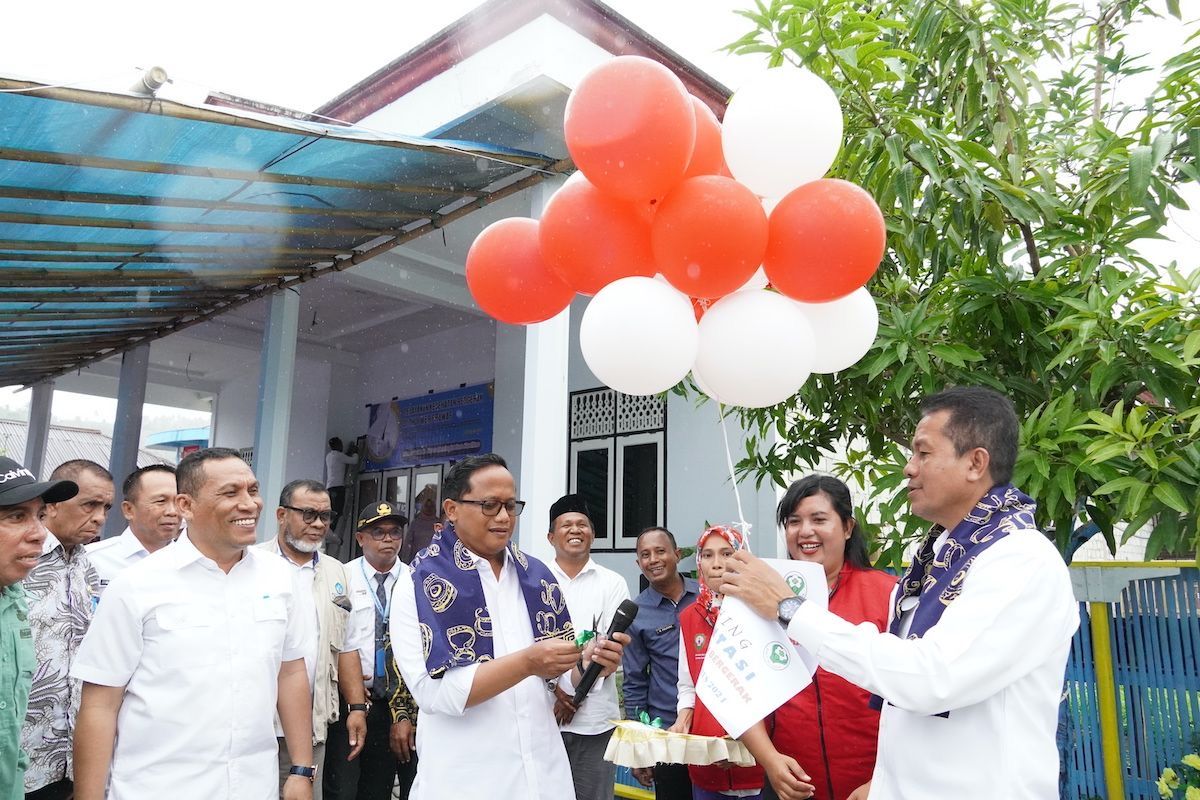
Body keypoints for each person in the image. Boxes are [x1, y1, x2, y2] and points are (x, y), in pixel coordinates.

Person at [722, 387, 1079, 800]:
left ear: (975, 463)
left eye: (923, 453)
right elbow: (899, 703)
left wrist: (789, 609)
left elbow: (930, 679)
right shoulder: (938, 560)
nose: (909, 468)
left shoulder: (1019, 559)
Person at [71, 447, 316, 800]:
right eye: (230, 493)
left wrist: (301, 769)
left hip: (252, 785)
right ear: (186, 506)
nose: (249, 504)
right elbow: (100, 704)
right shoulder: (137, 584)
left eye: (252, 490)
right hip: (157, 788)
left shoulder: (280, 577)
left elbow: (290, 672)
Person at [389, 453, 627, 800]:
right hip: (467, 781)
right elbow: (435, 694)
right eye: (489, 505)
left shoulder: (537, 578)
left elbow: (561, 679)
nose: (503, 517)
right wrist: (527, 663)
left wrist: (591, 664)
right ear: (452, 509)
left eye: (510, 506)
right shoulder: (419, 583)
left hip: (545, 777)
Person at [738, 476, 897, 800]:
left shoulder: (886, 593)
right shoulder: (759, 596)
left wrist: (884, 781)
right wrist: (770, 760)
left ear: (848, 527)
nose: (805, 531)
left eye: (819, 519)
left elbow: (910, 696)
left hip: (871, 785)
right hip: (791, 784)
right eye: (794, 521)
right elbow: (739, 690)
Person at [259, 480, 369, 800]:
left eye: (325, 516)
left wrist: (358, 707)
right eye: (308, 514)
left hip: (311, 729)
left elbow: (345, 645)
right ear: (281, 514)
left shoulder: (337, 573)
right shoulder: (252, 564)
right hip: (257, 726)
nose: (319, 524)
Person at [21, 460, 112, 800]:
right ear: (52, 505)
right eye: (89, 504)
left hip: (71, 760)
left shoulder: (88, 565)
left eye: (106, 507)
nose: (100, 517)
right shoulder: (18, 559)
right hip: (20, 759)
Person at [0, 456, 78, 800]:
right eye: (17, 516)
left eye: (40, 515)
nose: (39, 534)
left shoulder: (14, 599)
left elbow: (9, 740)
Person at [545, 493, 631, 800]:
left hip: (594, 721)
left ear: (592, 534)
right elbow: (524, 644)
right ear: (551, 536)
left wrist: (574, 696)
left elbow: (608, 649)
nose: (575, 529)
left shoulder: (613, 583)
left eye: (582, 524)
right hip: (542, 718)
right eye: (566, 524)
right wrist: (556, 689)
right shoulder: (534, 580)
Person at [672, 525, 765, 800]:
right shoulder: (690, 617)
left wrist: (743, 737)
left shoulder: (763, 613)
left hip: (759, 760)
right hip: (707, 761)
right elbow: (687, 685)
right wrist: (683, 720)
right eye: (708, 555)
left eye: (727, 553)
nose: (717, 564)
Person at [334, 501, 419, 800]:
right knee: (368, 787)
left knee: (415, 783)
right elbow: (338, 641)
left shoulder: (416, 579)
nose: (388, 539)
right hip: (361, 700)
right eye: (378, 532)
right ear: (360, 538)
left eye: (395, 532)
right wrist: (352, 688)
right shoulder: (342, 578)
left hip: (408, 703)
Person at [623, 526, 700, 800]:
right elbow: (634, 682)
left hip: (711, 728)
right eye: (645, 555)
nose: (653, 559)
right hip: (667, 731)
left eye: (660, 551)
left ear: (677, 555)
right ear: (638, 563)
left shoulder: (707, 597)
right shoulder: (637, 613)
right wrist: (638, 748)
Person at [86, 465, 180, 589]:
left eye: (178, 501)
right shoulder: (92, 560)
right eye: (161, 501)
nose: (172, 511)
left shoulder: (196, 564)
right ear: (129, 510)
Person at [398, 485, 438, 565]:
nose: (429, 508)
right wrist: (405, 561)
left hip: (434, 561)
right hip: (417, 561)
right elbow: (408, 544)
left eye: (431, 506)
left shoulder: (438, 523)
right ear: (423, 507)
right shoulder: (416, 523)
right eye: (427, 506)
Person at [325, 439, 357, 527]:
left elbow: (342, 459)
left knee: (332, 511)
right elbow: (354, 460)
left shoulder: (329, 456)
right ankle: (332, 531)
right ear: (338, 445)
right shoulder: (339, 456)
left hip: (330, 487)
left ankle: (331, 530)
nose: (342, 446)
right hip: (338, 488)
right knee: (338, 512)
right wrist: (355, 452)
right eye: (341, 444)